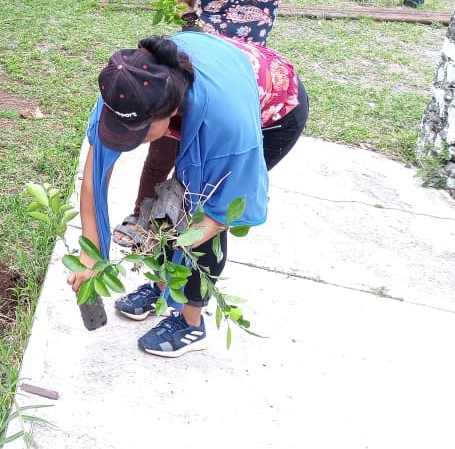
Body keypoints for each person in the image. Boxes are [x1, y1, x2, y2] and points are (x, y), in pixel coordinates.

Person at [114, 0, 324, 247]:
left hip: (236, 80)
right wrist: (185, 25)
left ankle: (183, 245)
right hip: (193, 67)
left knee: (207, 171)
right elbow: (183, 4)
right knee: (162, 145)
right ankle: (143, 213)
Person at [68, 31, 309, 358]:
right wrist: (92, 251)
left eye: (136, 134)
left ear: (169, 113)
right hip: (215, 82)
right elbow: (93, 177)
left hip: (276, 111)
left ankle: (191, 322)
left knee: (198, 214)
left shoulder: (227, 126)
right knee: (169, 205)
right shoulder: (126, 88)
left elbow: (224, 213)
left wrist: (172, 238)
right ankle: (162, 287)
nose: (129, 141)